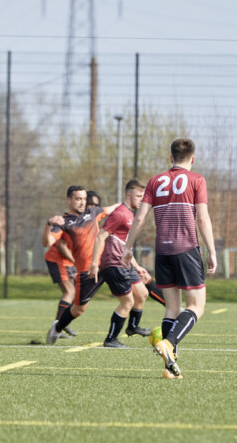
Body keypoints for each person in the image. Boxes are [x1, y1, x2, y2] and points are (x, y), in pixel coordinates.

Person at [122, 138, 217, 379]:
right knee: (196, 306)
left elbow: (140, 217)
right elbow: (203, 219)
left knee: (171, 309)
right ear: (193, 159)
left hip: (162, 252)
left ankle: (169, 367)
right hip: (187, 249)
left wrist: (128, 247)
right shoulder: (197, 180)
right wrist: (212, 252)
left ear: (171, 158)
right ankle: (169, 343)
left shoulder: (155, 181)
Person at [45, 186, 118, 343]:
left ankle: (119, 335)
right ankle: (58, 326)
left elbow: (113, 208)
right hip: (85, 270)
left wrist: (140, 199)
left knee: (135, 292)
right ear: (69, 200)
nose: (82, 203)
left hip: (105, 265)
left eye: (84, 199)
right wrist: (47, 225)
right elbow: (49, 242)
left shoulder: (92, 213)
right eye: (78, 199)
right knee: (78, 308)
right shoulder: (63, 222)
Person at [91, 179, 154, 348]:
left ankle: (133, 327)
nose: (142, 199)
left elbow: (124, 245)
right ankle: (111, 339)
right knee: (128, 302)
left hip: (125, 262)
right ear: (128, 194)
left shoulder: (131, 214)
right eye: (139, 195)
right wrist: (94, 264)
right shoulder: (119, 213)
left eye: (143, 196)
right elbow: (100, 236)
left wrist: (137, 265)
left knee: (142, 294)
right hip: (113, 263)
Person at [42, 211, 77, 338]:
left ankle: (62, 323)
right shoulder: (66, 222)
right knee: (70, 292)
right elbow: (61, 246)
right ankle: (57, 327)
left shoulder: (87, 222)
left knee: (76, 293)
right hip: (57, 260)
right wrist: (76, 262)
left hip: (69, 262)